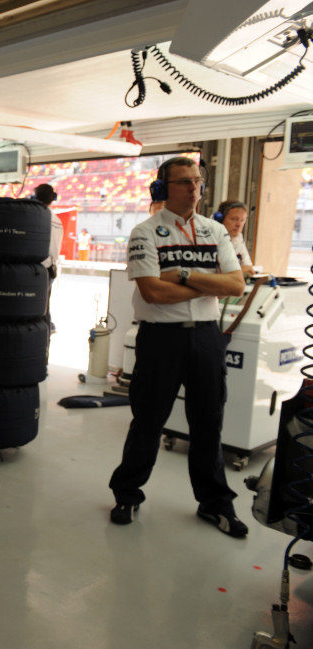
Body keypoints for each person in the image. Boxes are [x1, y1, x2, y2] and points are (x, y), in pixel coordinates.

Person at [109, 156, 247, 537]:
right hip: (160, 339)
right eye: (184, 182)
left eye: (197, 181)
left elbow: (235, 285)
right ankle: (128, 494)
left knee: (208, 424)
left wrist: (184, 275)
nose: (194, 188)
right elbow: (152, 291)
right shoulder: (145, 233)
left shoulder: (215, 232)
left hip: (206, 337)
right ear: (162, 190)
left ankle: (215, 505)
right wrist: (207, 280)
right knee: (148, 421)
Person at [34, 183, 63, 334]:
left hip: (37, 270)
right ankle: (45, 341)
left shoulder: (35, 217)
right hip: (51, 269)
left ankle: (40, 337)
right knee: (44, 307)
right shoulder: (57, 220)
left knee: (35, 309)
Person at [214, 200, 254, 277]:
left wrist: (236, 271)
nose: (239, 224)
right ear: (220, 219)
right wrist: (239, 270)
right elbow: (221, 273)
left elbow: (249, 268)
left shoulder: (239, 238)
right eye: (234, 219)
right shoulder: (211, 240)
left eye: (242, 220)